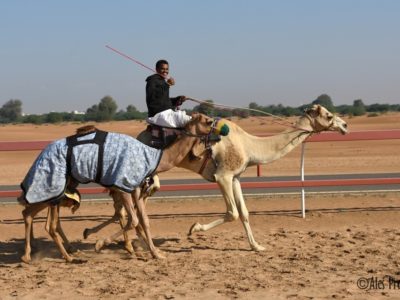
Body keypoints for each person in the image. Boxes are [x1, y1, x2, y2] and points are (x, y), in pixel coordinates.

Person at [145, 59, 191, 128]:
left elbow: (164, 100)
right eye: (162, 69)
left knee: (193, 117)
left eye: (167, 69)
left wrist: (179, 99)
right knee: (191, 120)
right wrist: (167, 84)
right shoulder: (152, 81)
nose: (165, 71)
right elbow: (153, 98)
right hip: (159, 115)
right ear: (157, 69)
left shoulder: (162, 81)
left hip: (167, 113)